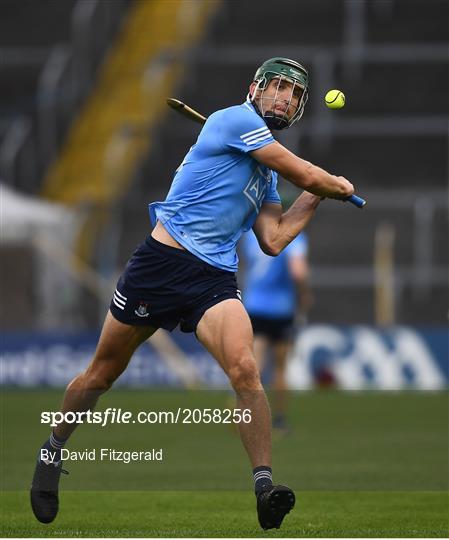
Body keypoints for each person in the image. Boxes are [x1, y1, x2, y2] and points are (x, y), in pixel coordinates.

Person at [31, 57, 354, 530]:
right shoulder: (235, 120)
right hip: (161, 263)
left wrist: (319, 194)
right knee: (101, 374)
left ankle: (265, 486)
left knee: (246, 369)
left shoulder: (264, 176)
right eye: (278, 87)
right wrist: (331, 182)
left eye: (295, 94)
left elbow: (275, 238)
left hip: (213, 279)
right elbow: (305, 173)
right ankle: (53, 449)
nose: (285, 97)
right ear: (256, 90)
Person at [241, 226, 312, 433]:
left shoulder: (250, 235)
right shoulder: (293, 236)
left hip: (254, 305)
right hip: (282, 308)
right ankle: (279, 419)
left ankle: (245, 416)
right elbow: (298, 271)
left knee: (254, 365)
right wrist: (304, 294)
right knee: (280, 368)